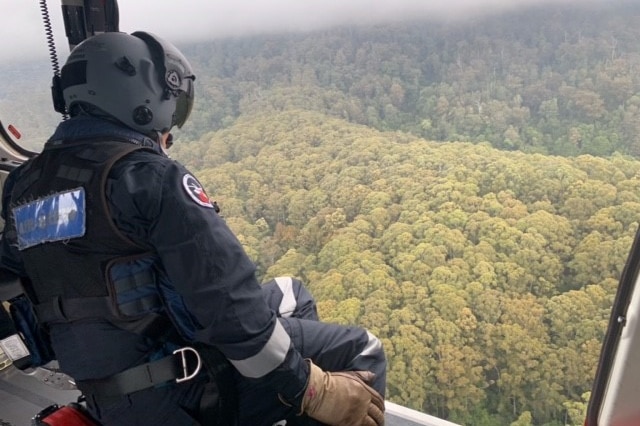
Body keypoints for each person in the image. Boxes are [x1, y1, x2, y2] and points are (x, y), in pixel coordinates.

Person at [0, 31, 386, 426]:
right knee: (360, 348)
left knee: (292, 294)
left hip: (106, 392)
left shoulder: (23, 186)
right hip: (182, 390)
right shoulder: (146, 177)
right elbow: (231, 309)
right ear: (143, 93)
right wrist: (311, 389)